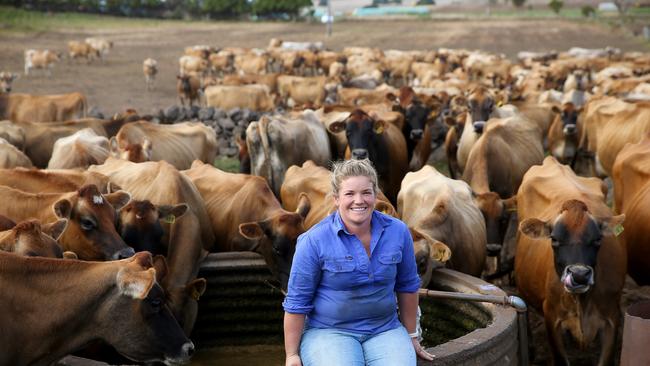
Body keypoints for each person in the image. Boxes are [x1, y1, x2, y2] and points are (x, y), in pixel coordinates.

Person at [283, 159, 434, 366]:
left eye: (366, 192)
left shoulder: (398, 232)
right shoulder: (313, 241)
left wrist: (411, 335)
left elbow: (407, 286)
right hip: (329, 332)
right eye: (349, 194)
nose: (359, 200)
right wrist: (291, 355)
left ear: (375, 195)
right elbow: (297, 302)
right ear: (336, 198)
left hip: (384, 330)